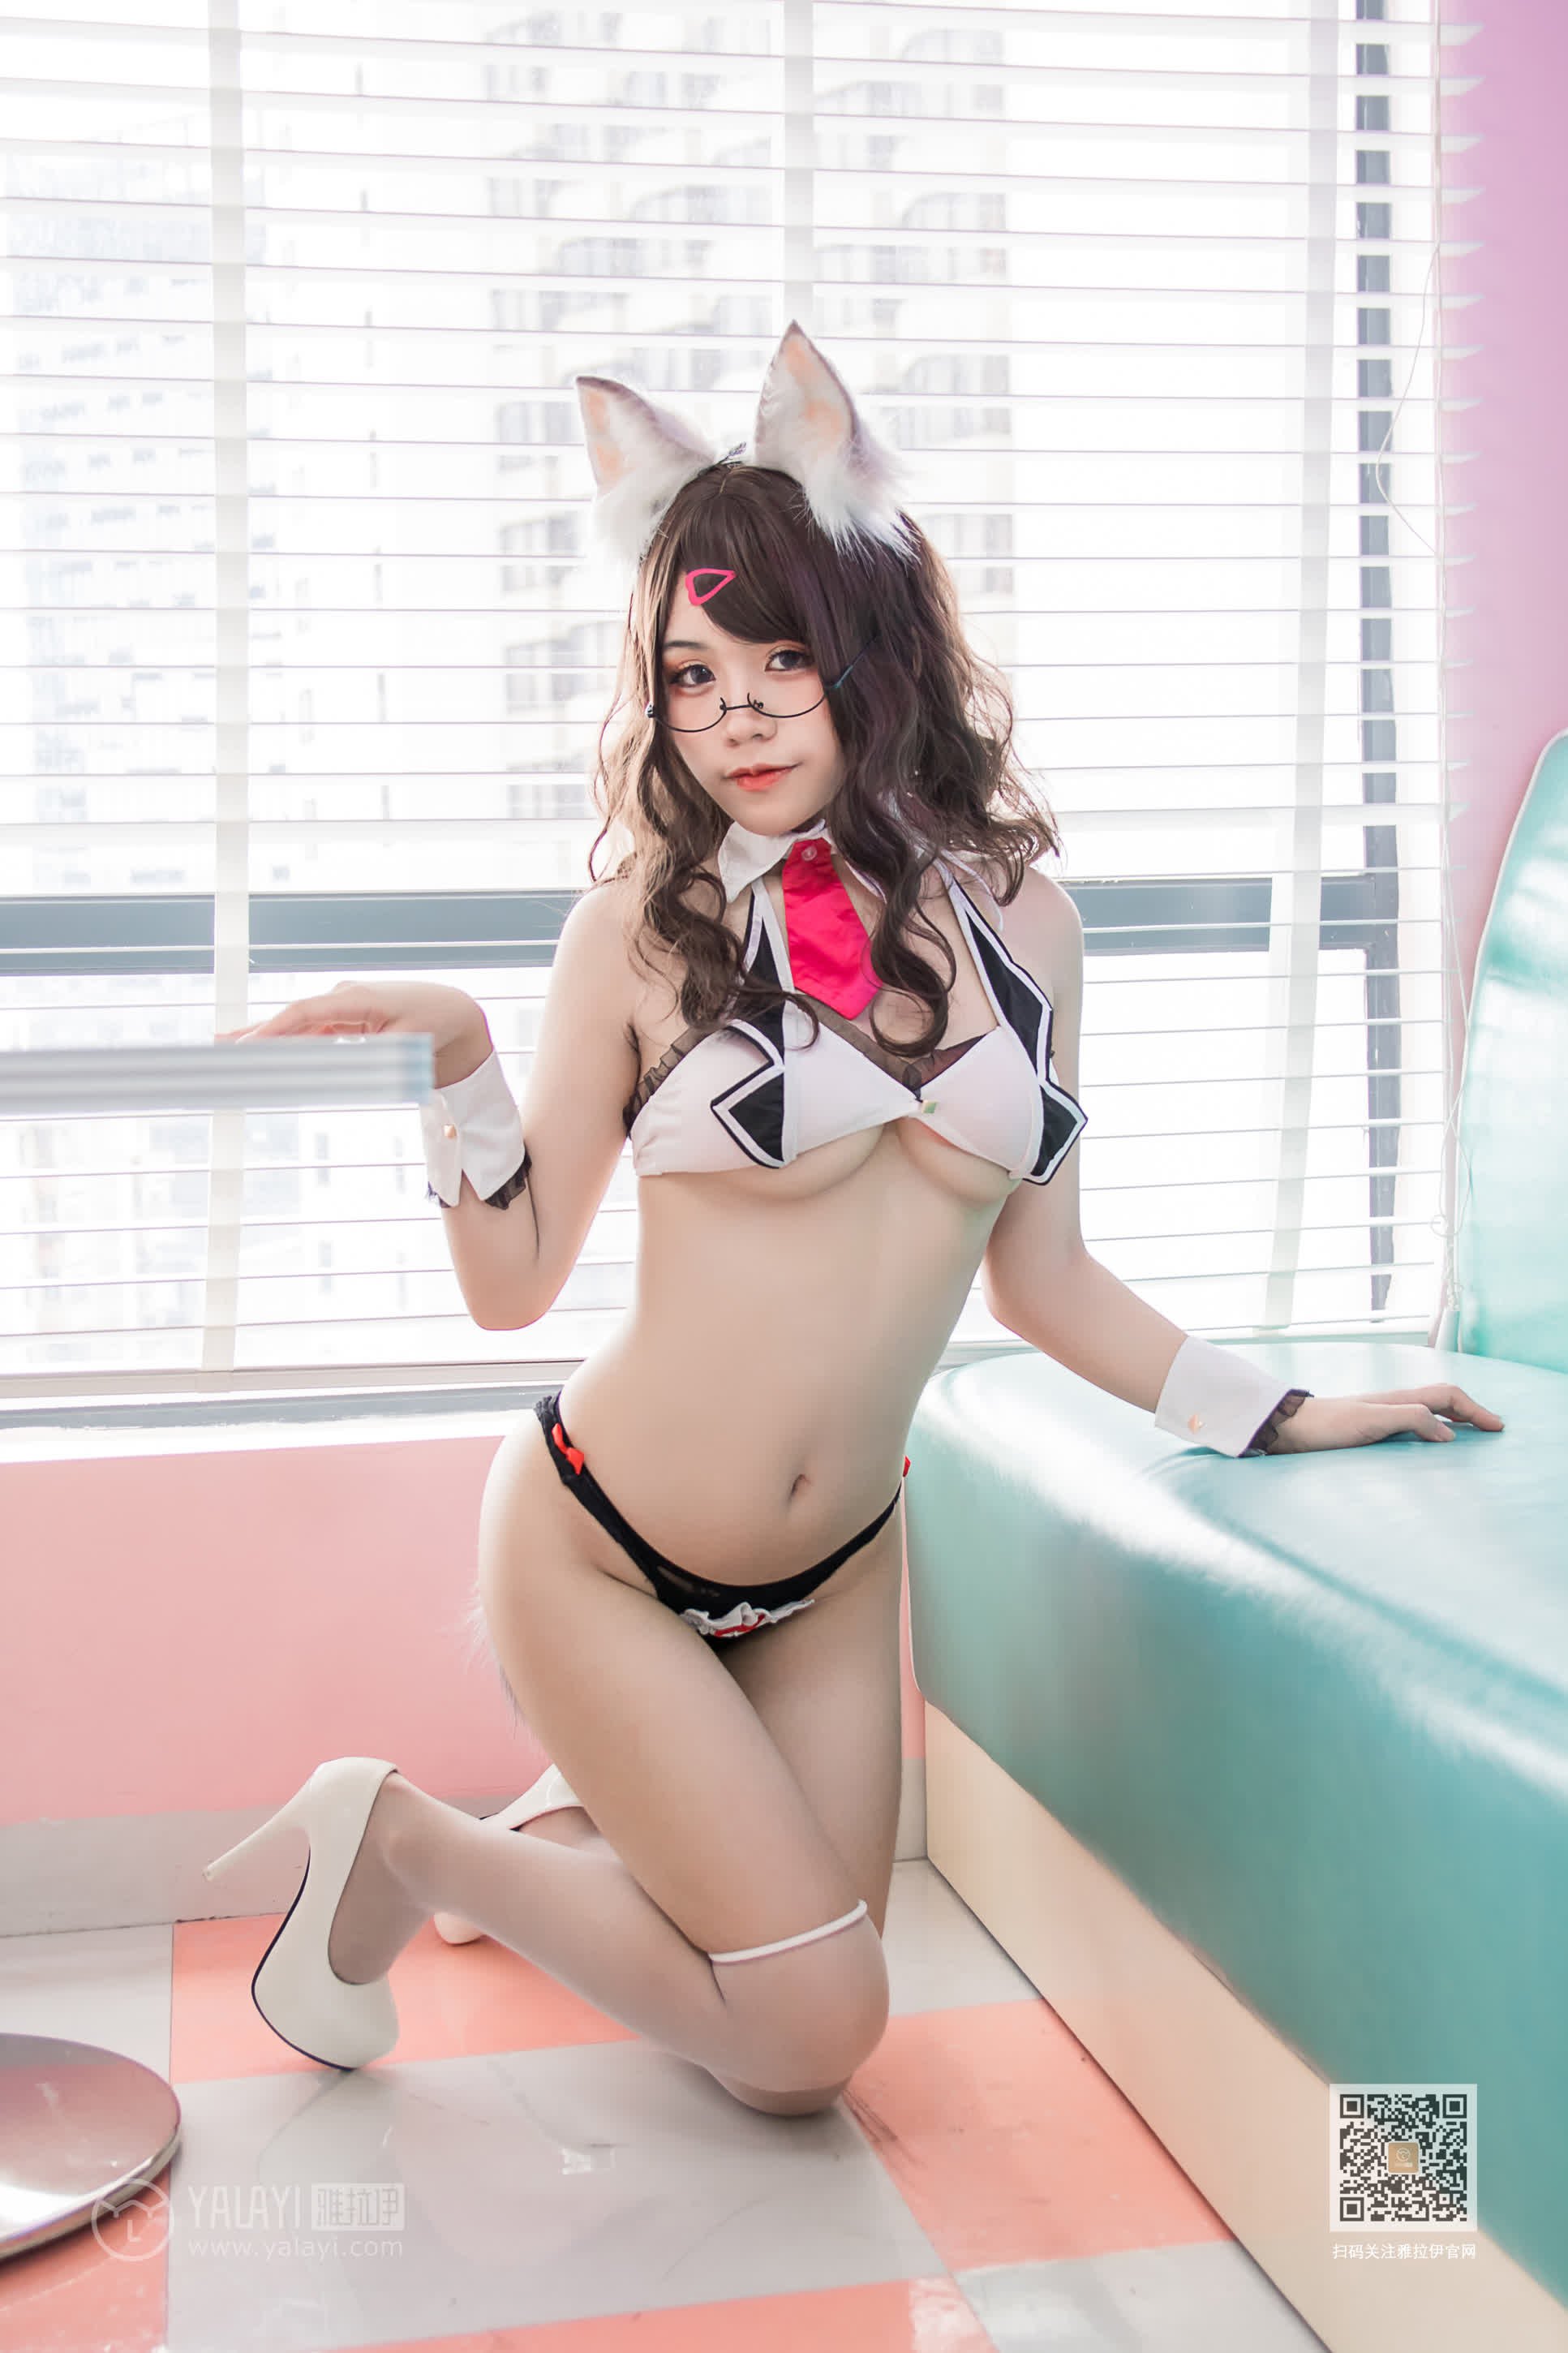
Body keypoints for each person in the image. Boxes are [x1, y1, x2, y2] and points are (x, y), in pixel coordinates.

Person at [202, 323, 1504, 2111]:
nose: (733, 712)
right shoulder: (639, 932)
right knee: (815, 2028)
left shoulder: (1027, 926)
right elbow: (512, 1284)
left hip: (834, 1567)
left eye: (780, 658)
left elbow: (1045, 1279)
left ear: (871, 655)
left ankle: (586, 1813)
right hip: (602, 1548)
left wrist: (1281, 1409)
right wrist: (456, 1062)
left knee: (790, 2055)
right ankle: (409, 1838)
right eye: (691, 671)